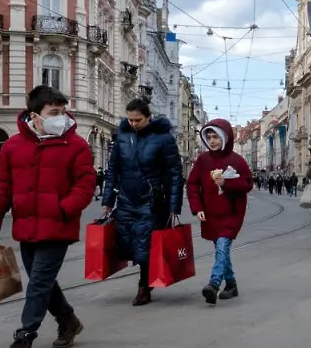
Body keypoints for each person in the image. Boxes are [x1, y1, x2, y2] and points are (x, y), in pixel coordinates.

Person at [0, 85, 95, 348]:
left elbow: (85, 183)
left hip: (58, 226)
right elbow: (4, 188)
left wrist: (64, 208)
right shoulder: (12, 146)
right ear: (35, 115)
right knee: (42, 281)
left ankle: (24, 339)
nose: (61, 117)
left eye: (62, 111)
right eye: (53, 112)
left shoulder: (76, 144)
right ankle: (68, 320)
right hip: (26, 226)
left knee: (38, 284)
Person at [101, 97, 184, 306]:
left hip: (152, 200)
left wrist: (174, 207)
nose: (133, 124)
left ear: (148, 117)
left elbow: (175, 173)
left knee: (145, 244)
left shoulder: (164, 139)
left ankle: (144, 286)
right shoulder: (122, 136)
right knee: (127, 241)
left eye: (138, 120)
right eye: (130, 120)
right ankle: (145, 281)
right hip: (127, 198)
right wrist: (108, 199)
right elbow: (113, 169)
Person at [186, 119, 253, 305]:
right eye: (209, 136)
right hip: (210, 213)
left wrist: (226, 183)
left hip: (232, 213)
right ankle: (231, 284)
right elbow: (192, 184)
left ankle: (214, 284)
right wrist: (197, 207)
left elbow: (248, 184)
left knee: (222, 246)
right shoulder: (203, 160)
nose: (212, 140)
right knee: (220, 249)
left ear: (225, 137)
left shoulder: (237, 160)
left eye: (216, 136)